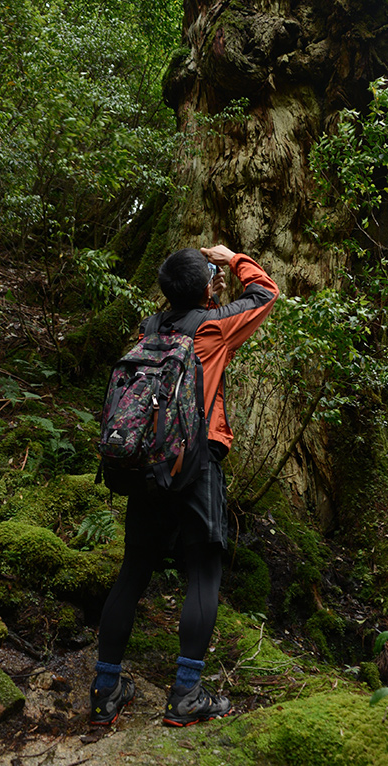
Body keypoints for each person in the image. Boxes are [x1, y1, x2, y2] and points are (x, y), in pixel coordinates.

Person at [89, 243, 279, 728]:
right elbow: (265, 293)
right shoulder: (213, 328)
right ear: (205, 286)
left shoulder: (148, 330)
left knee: (133, 573)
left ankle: (105, 690)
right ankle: (187, 694)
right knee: (203, 573)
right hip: (195, 463)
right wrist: (233, 256)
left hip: (146, 466)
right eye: (211, 277)